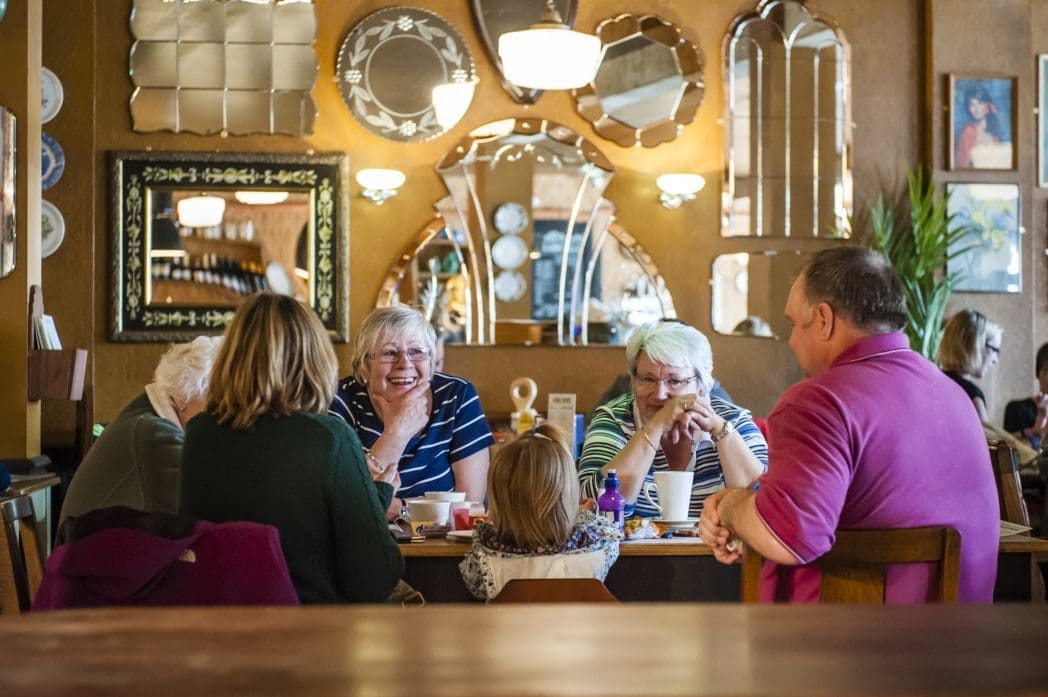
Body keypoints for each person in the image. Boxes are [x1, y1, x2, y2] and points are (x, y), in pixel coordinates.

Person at [699, 247, 999, 603]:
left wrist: (730, 506)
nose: (793, 340)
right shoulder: (953, 394)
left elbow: (788, 537)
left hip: (843, 647)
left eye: (794, 324)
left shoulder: (818, 401)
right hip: (964, 643)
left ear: (824, 319)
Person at [181, 293, 403, 604]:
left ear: (232, 356)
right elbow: (375, 577)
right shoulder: (328, 438)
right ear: (315, 359)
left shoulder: (199, 434)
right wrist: (378, 493)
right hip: (308, 632)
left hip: (221, 626)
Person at [578, 320, 767, 519]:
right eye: (648, 379)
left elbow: (762, 508)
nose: (659, 394)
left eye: (674, 381)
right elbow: (592, 508)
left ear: (701, 386)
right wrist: (655, 427)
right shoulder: (613, 419)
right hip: (630, 551)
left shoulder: (733, 419)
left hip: (715, 549)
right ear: (634, 381)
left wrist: (720, 430)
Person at [329, 305, 493, 519]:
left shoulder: (456, 395)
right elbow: (347, 503)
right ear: (363, 367)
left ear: (431, 361)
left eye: (416, 352)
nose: (405, 363)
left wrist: (400, 509)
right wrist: (397, 431)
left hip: (443, 550)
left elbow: (470, 507)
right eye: (389, 353)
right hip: (361, 545)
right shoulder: (339, 400)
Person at [60, 336, 221, 524]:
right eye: (216, 403)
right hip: (94, 551)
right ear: (182, 398)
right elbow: (207, 509)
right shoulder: (154, 436)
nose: (222, 416)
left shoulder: (146, 418)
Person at [459, 423, 621, 600]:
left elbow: (474, 585)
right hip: (578, 628)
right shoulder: (598, 549)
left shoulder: (485, 558)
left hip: (510, 628)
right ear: (569, 493)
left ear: (498, 501)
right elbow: (611, 530)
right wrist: (580, 513)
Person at [938, 309, 1002, 422]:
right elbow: (984, 439)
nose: (995, 360)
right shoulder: (972, 397)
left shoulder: (930, 382)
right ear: (976, 345)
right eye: (995, 350)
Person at [1004, 342, 1048, 451]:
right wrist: (1037, 433)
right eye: (1046, 370)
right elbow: (1009, 455)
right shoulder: (1017, 409)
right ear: (1039, 373)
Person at [955, 84, 1005, 169]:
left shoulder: (994, 130)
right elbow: (963, 165)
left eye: (980, 103)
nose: (976, 108)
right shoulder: (969, 131)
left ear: (988, 105)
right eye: (972, 105)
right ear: (968, 108)